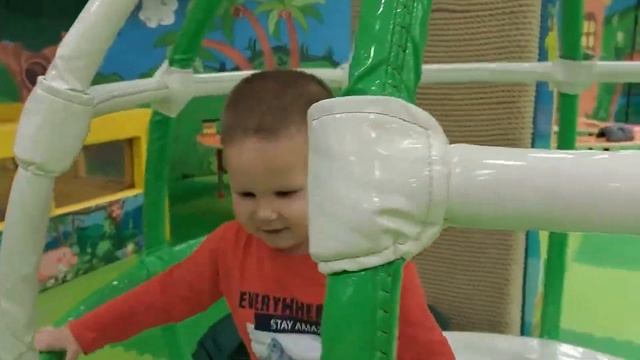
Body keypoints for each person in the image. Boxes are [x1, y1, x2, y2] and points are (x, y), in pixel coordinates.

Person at [34, 69, 455, 360]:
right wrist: (81, 332)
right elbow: (159, 297)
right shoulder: (230, 248)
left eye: (287, 193)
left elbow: (421, 343)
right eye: (246, 193)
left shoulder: (368, 255)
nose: (266, 213)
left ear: (337, 175)